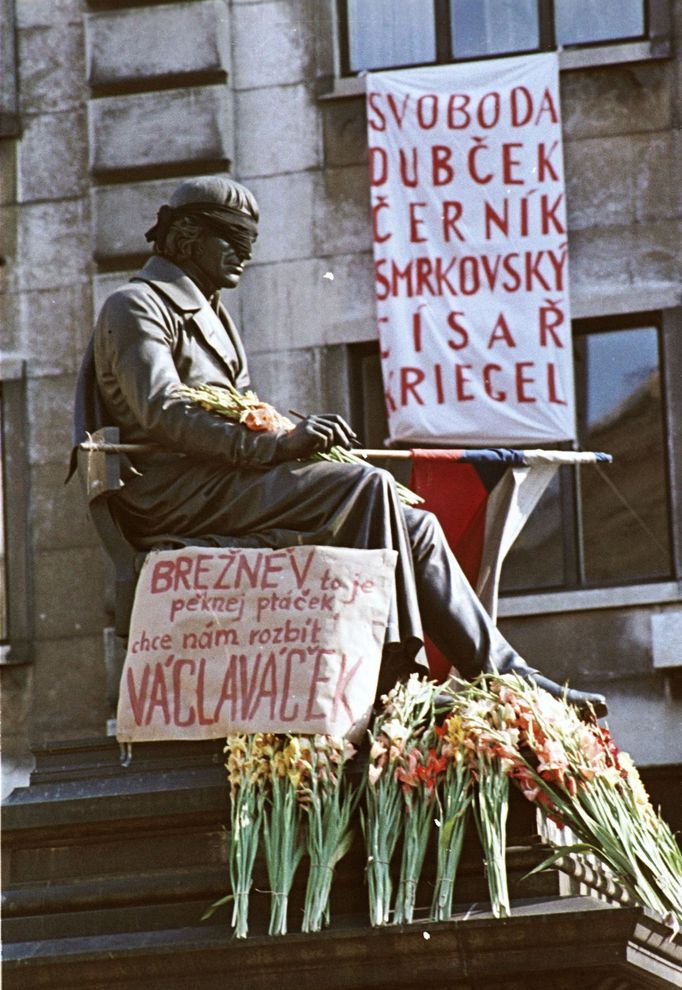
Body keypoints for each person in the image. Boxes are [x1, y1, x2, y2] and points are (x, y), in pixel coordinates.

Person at [74, 175, 606, 715]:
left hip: (222, 480)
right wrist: (275, 450)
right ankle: (392, 676)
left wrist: (291, 437)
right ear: (187, 237)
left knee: (415, 521)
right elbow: (162, 410)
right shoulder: (135, 305)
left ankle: (506, 676)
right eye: (232, 241)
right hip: (174, 493)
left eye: (249, 245)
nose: (244, 256)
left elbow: (237, 412)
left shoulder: (214, 315)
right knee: (366, 487)